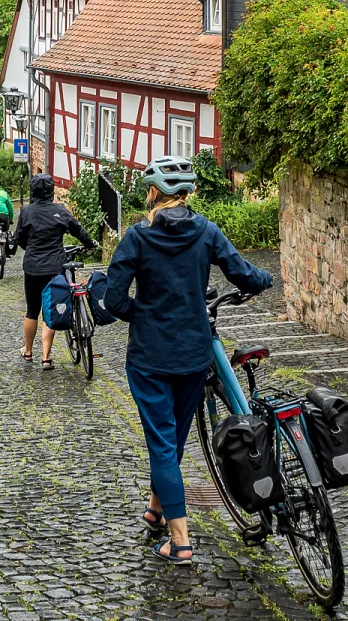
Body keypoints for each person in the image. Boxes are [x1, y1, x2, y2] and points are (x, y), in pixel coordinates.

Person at [99, 156, 272, 566]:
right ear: (187, 194)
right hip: (195, 356)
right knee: (172, 439)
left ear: (153, 193)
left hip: (150, 358)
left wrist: (143, 313)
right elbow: (244, 274)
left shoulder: (137, 238)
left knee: (162, 444)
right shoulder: (207, 231)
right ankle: (157, 510)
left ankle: (180, 542)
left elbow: (116, 299)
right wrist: (266, 280)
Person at [13, 173, 98, 367]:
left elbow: (20, 239)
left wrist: (31, 248)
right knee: (51, 309)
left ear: (33, 191)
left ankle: (27, 351)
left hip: (33, 267)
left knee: (32, 310)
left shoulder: (27, 212)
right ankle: (46, 357)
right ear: (51, 191)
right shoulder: (60, 210)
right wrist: (89, 243)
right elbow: (79, 230)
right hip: (55, 267)